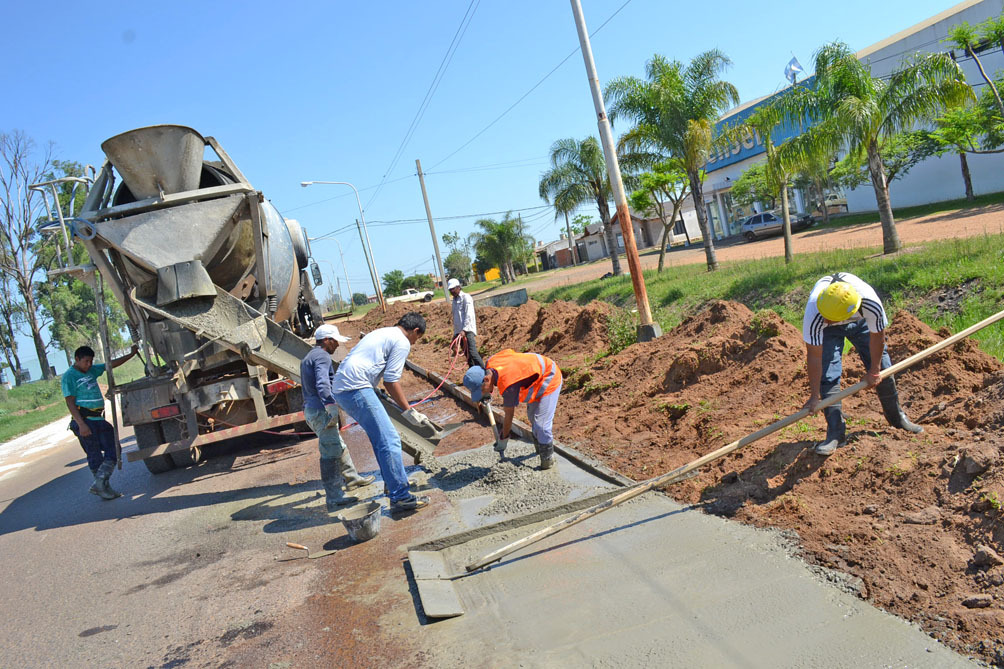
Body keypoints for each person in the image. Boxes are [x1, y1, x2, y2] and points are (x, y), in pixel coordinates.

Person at [802, 272, 923, 456]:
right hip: (828, 331)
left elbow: (877, 337)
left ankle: (897, 418)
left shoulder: (870, 303)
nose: (826, 321)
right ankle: (835, 433)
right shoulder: (816, 311)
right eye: (825, 316)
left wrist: (874, 370)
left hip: (860, 321)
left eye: (830, 318)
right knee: (828, 374)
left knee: (883, 366)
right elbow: (815, 357)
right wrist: (813, 396)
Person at [331, 313, 432, 513]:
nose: (414, 342)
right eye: (417, 339)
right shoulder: (402, 341)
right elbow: (391, 381)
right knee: (389, 440)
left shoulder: (384, 332)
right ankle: (401, 497)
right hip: (355, 387)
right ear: (416, 331)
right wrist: (408, 411)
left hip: (344, 387)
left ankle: (392, 483)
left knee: (381, 440)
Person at [300, 324, 376, 512]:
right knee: (330, 454)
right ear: (326, 340)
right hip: (320, 411)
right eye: (335, 341)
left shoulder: (310, 355)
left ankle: (352, 479)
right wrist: (330, 405)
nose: (336, 345)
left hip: (312, 410)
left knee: (337, 445)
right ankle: (334, 498)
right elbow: (322, 383)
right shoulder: (322, 356)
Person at [463, 349, 562, 470]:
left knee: (541, 426)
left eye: (482, 391)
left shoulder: (508, 385)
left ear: (487, 380)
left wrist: (503, 438)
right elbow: (509, 352)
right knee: (533, 418)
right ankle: (540, 449)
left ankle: (547, 462)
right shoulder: (491, 362)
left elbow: (509, 415)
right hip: (535, 374)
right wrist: (486, 394)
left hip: (549, 376)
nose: (483, 394)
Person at [62, 344, 139, 500]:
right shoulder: (69, 376)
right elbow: (70, 402)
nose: (89, 364)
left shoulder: (91, 370)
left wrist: (131, 354)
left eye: (91, 361)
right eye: (86, 361)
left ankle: (99, 484)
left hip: (99, 419)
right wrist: (81, 424)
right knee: (94, 455)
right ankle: (104, 488)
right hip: (85, 421)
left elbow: (109, 365)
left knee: (115, 448)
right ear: (77, 359)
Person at [448, 278, 484, 369]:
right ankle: (474, 373)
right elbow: (456, 319)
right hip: (460, 332)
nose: (452, 291)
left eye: (453, 289)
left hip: (467, 330)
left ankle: (486, 372)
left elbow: (469, 315)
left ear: (458, 287)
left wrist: (464, 330)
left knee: (473, 353)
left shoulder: (466, 297)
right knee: (467, 355)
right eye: (450, 290)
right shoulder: (454, 301)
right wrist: (456, 335)